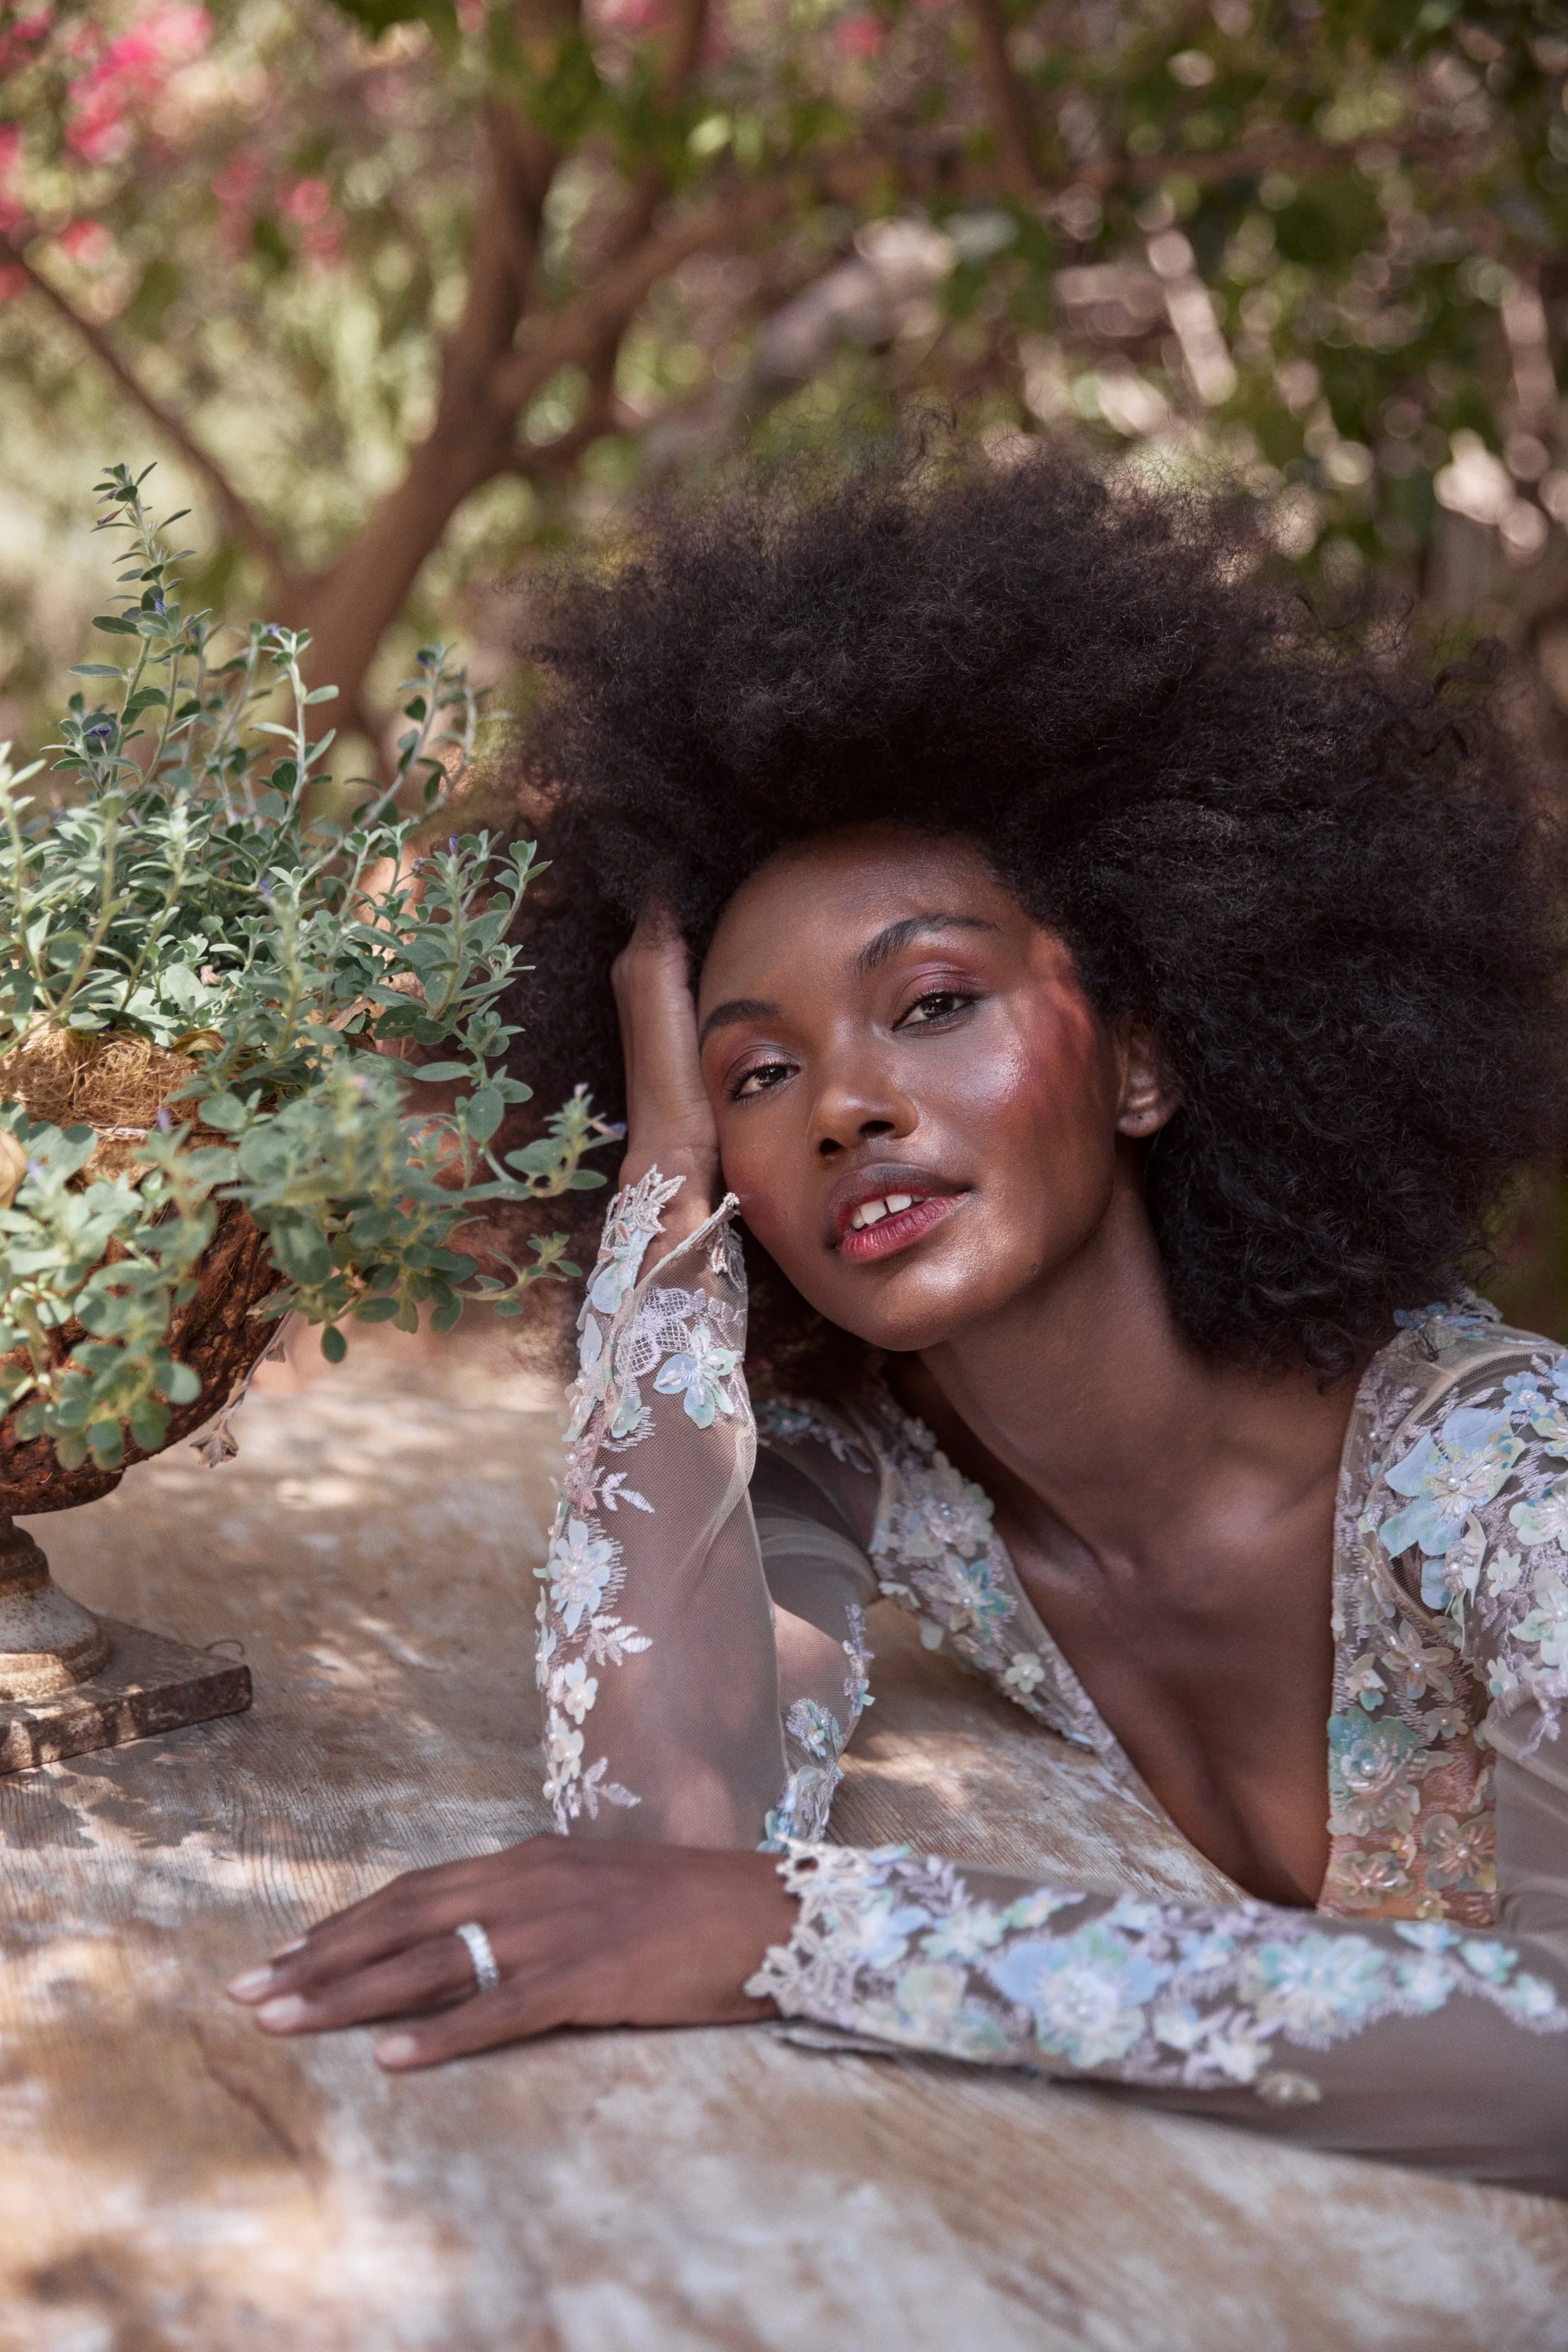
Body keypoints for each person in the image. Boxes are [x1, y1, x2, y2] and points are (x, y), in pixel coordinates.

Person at [229, 453, 1568, 2188]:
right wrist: (660, 1171)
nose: (845, 1107)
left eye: (931, 1001)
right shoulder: (876, 1477)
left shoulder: (1502, 1473)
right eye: (759, 1073)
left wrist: (821, 1931)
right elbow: (663, 1845)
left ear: (1148, 1052)